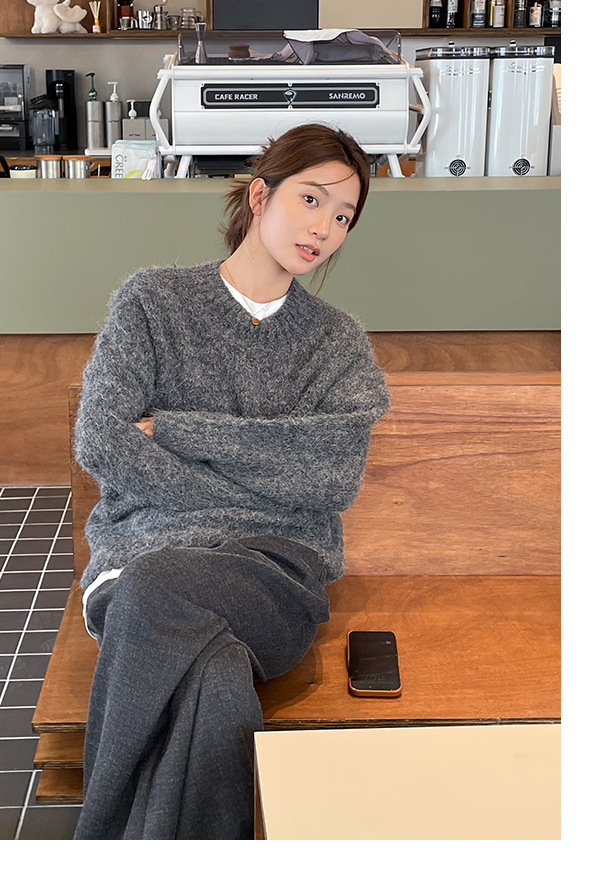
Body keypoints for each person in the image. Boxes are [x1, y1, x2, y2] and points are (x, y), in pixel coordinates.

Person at [72, 123, 390, 840]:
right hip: (139, 565)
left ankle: (96, 841)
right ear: (260, 196)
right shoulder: (153, 303)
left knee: (156, 589)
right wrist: (266, 484)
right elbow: (102, 440)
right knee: (213, 682)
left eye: (344, 217)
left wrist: (177, 431)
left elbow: (333, 476)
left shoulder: (337, 343)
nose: (325, 228)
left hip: (272, 576)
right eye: (312, 199)